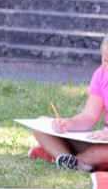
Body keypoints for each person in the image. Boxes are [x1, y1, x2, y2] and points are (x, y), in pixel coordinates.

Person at [28, 34, 108, 172]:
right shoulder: (100, 74)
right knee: (40, 124)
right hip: (100, 140)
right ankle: (68, 158)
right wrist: (69, 123)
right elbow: (89, 116)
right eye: (106, 60)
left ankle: (68, 159)